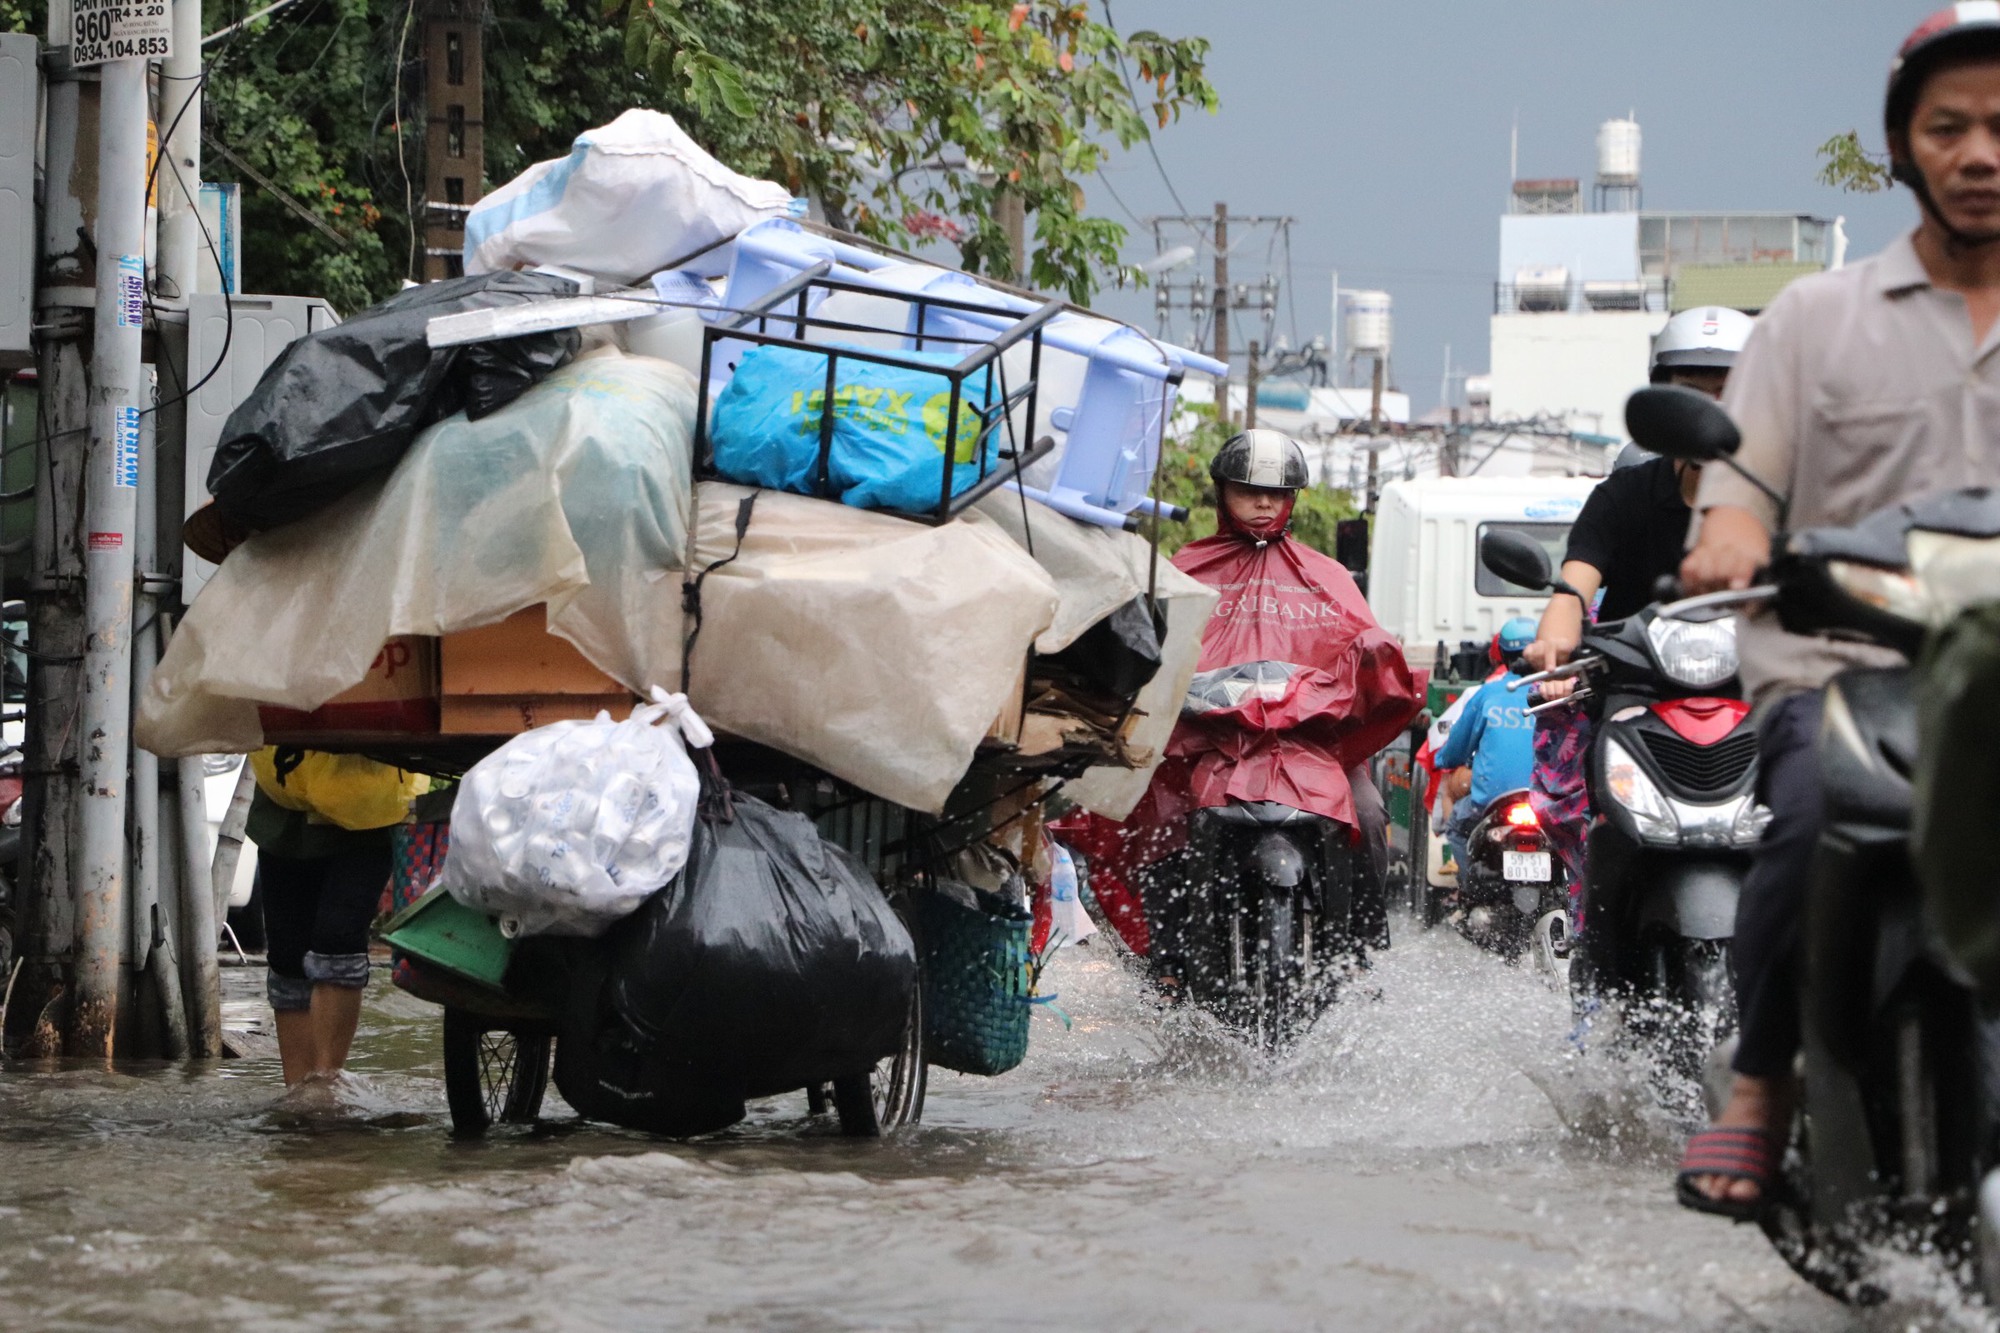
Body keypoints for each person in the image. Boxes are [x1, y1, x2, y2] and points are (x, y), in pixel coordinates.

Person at [1676, 6, 2000, 1217]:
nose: (1979, 153)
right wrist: (1730, 541)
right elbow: (1741, 491)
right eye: (1949, 127)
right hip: (1841, 666)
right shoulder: (1814, 318)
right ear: (1904, 146)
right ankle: (1757, 1082)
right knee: (1806, 817)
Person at [1058, 429, 1419, 970]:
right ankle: (1170, 958)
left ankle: (1360, 956)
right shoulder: (1184, 568)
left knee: (1366, 815)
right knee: (1152, 809)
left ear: (1292, 498)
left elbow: (1364, 645)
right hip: (1206, 741)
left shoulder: (1330, 576)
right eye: (1249, 490)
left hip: (1313, 747)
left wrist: (1371, 664)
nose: (1263, 502)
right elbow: (1151, 649)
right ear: (1222, 492)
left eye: (1276, 492)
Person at [248, 747, 412, 1092]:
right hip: (286, 796)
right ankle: (297, 1093)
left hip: (367, 802)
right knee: (287, 954)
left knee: (338, 938)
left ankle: (325, 1084)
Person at [1432, 617, 1539, 872]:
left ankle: (1470, 893)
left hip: (1491, 802)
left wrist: (1443, 760)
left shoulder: (1487, 694)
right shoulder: (1555, 691)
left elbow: (1456, 748)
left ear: (1502, 654)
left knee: (1457, 828)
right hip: (1546, 801)